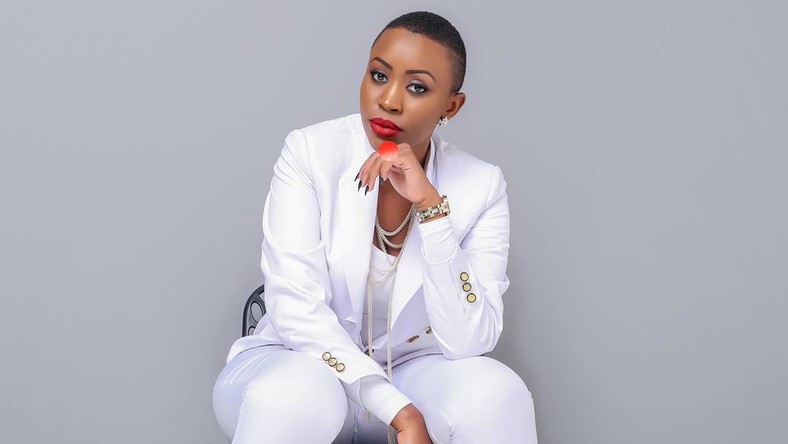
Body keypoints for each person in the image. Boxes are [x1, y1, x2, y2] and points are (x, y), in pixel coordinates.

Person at [212, 11, 538, 444]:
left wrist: (431, 208)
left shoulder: (481, 185)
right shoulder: (310, 152)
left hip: (413, 371)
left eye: (417, 87)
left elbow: (471, 340)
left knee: (497, 394)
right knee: (295, 396)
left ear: (451, 106)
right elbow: (296, 310)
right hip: (300, 362)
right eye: (379, 76)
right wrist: (396, 409)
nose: (389, 100)